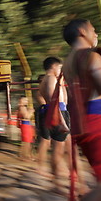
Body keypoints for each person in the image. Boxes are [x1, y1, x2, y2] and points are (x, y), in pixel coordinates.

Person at [62, 19, 101, 201]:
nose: (96, 33)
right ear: (82, 31)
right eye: (93, 29)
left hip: (84, 122)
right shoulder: (90, 55)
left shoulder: (69, 61)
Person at [37, 57, 71, 185]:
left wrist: (61, 81)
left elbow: (62, 99)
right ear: (54, 66)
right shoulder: (50, 78)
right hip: (58, 113)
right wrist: (61, 120)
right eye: (60, 67)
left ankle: (56, 176)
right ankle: (56, 180)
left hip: (59, 111)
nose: (61, 70)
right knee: (58, 148)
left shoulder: (51, 79)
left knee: (60, 147)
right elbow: (53, 101)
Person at [16, 96, 35, 161]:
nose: (26, 102)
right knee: (26, 141)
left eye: (26, 100)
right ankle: (24, 156)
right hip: (25, 125)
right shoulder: (22, 107)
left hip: (26, 124)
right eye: (25, 100)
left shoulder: (22, 107)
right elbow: (26, 116)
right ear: (21, 100)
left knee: (28, 141)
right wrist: (31, 112)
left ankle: (27, 155)